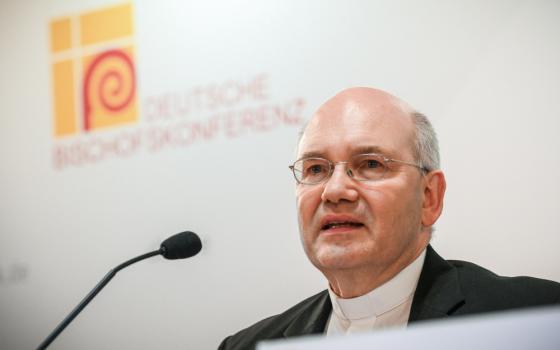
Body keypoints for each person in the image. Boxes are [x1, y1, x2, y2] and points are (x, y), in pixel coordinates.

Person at [218, 87, 560, 350]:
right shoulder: (248, 346)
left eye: (370, 164)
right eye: (316, 169)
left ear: (429, 197)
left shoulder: (536, 318)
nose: (335, 190)